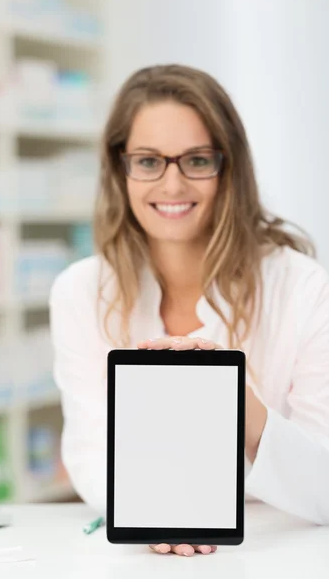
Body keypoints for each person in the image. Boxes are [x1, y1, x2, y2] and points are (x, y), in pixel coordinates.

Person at [49, 64, 329, 557]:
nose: (173, 185)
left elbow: (325, 483)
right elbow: (91, 456)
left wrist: (240, 406)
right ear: (120, 168)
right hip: (140, 551)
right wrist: (159, 507)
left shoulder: (304, 289)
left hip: (278, 552)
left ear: (230, 168)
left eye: (197, 160)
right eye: (149, 161)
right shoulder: (81, 291)